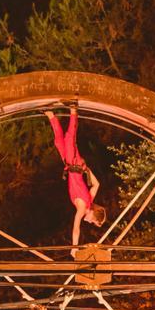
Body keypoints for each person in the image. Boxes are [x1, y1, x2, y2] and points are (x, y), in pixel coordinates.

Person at [45, 105, 106, 253]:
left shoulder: (89, 201)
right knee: (69, 137)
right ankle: (73, 111)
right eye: (93, 220)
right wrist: (74, 248)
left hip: (69, 165)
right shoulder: (83, 207)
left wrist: (88, 170)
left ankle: (50, 115)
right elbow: (76, 228)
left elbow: (97, 185)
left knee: (59, 142)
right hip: (75, 164)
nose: (90, 221)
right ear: (92, 213)